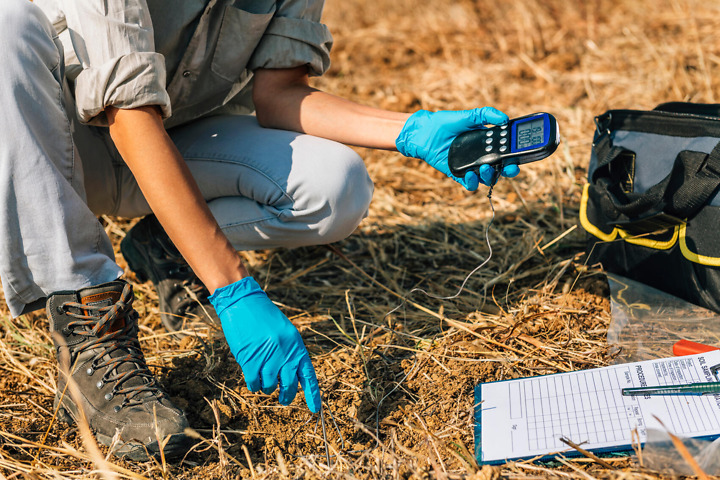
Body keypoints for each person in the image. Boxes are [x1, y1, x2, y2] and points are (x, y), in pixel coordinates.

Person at [0, 0, 519, 461]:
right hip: (59, 149)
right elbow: (128, 110)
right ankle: (90, 333)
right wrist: (233, 287)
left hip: (175, 144)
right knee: (8, 22)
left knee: (335, 185)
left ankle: (171, 242)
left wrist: (410, 130)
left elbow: (281, 94)